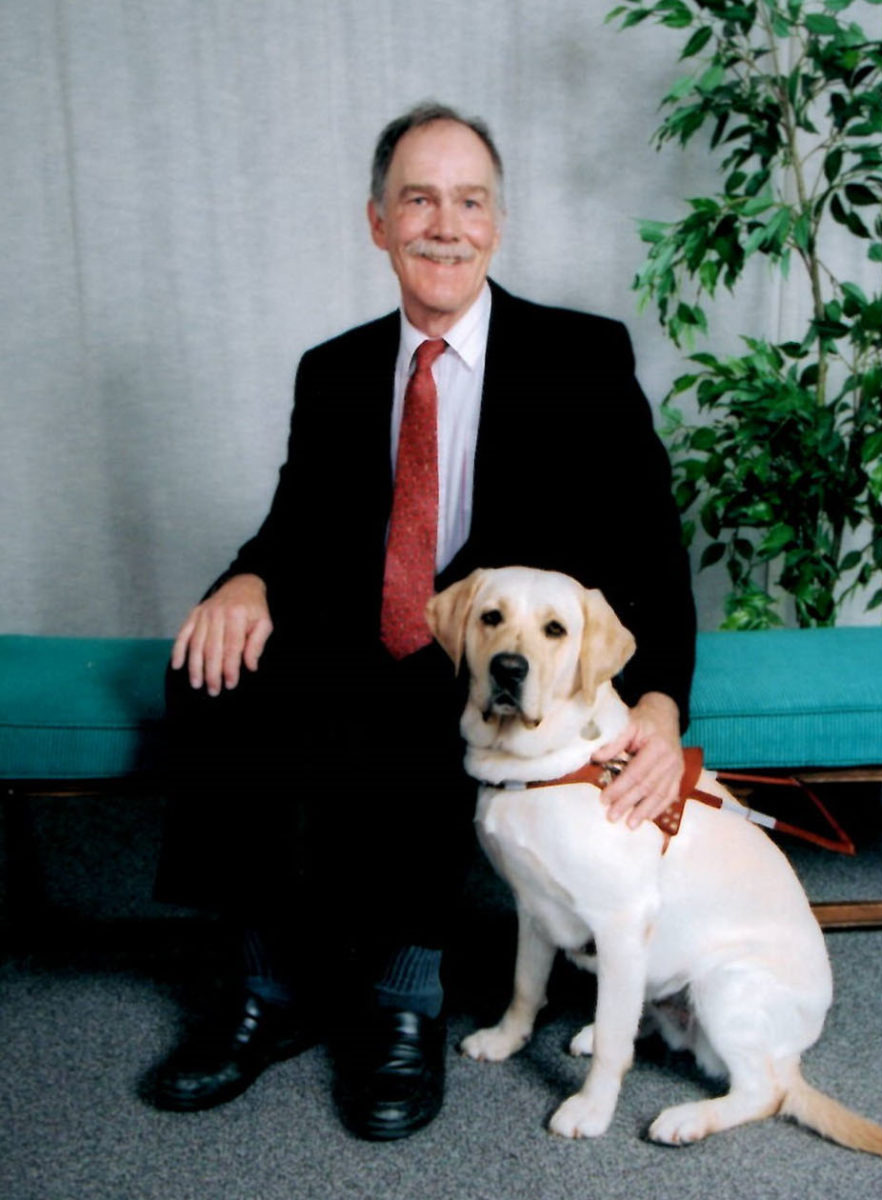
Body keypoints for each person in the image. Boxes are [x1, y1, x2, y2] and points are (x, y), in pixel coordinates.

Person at [143, 102, 696, 1141]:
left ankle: (407, 996)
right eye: (419, 199)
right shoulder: (336, 369)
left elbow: (653, 557)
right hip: (372, 631)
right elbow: (293, 528)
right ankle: (268, 990)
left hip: (500, 657)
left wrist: (661, 700)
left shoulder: (581, 357)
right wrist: (244, 585)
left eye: (470, 201)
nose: (446, 224)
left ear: (497, 222)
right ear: (377, 222)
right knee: (210, 666)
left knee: (418, 701)